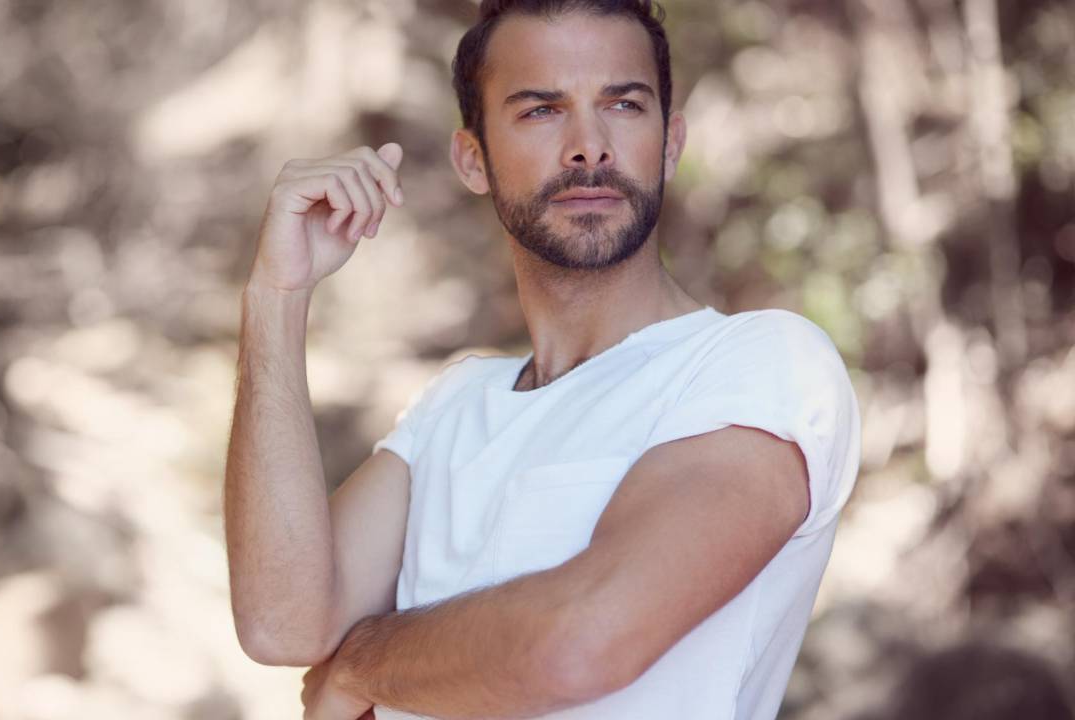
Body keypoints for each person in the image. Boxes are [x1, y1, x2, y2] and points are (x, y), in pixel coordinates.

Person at [224, 1, 861, 718]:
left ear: (670, 143)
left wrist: (363, 663)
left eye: (624, 104)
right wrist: (276, 296)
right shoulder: (452, 407)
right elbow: (282, 624)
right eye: (541, 110)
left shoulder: (759, 364)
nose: (589, 146)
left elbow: (582, 643)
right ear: (473, 159)